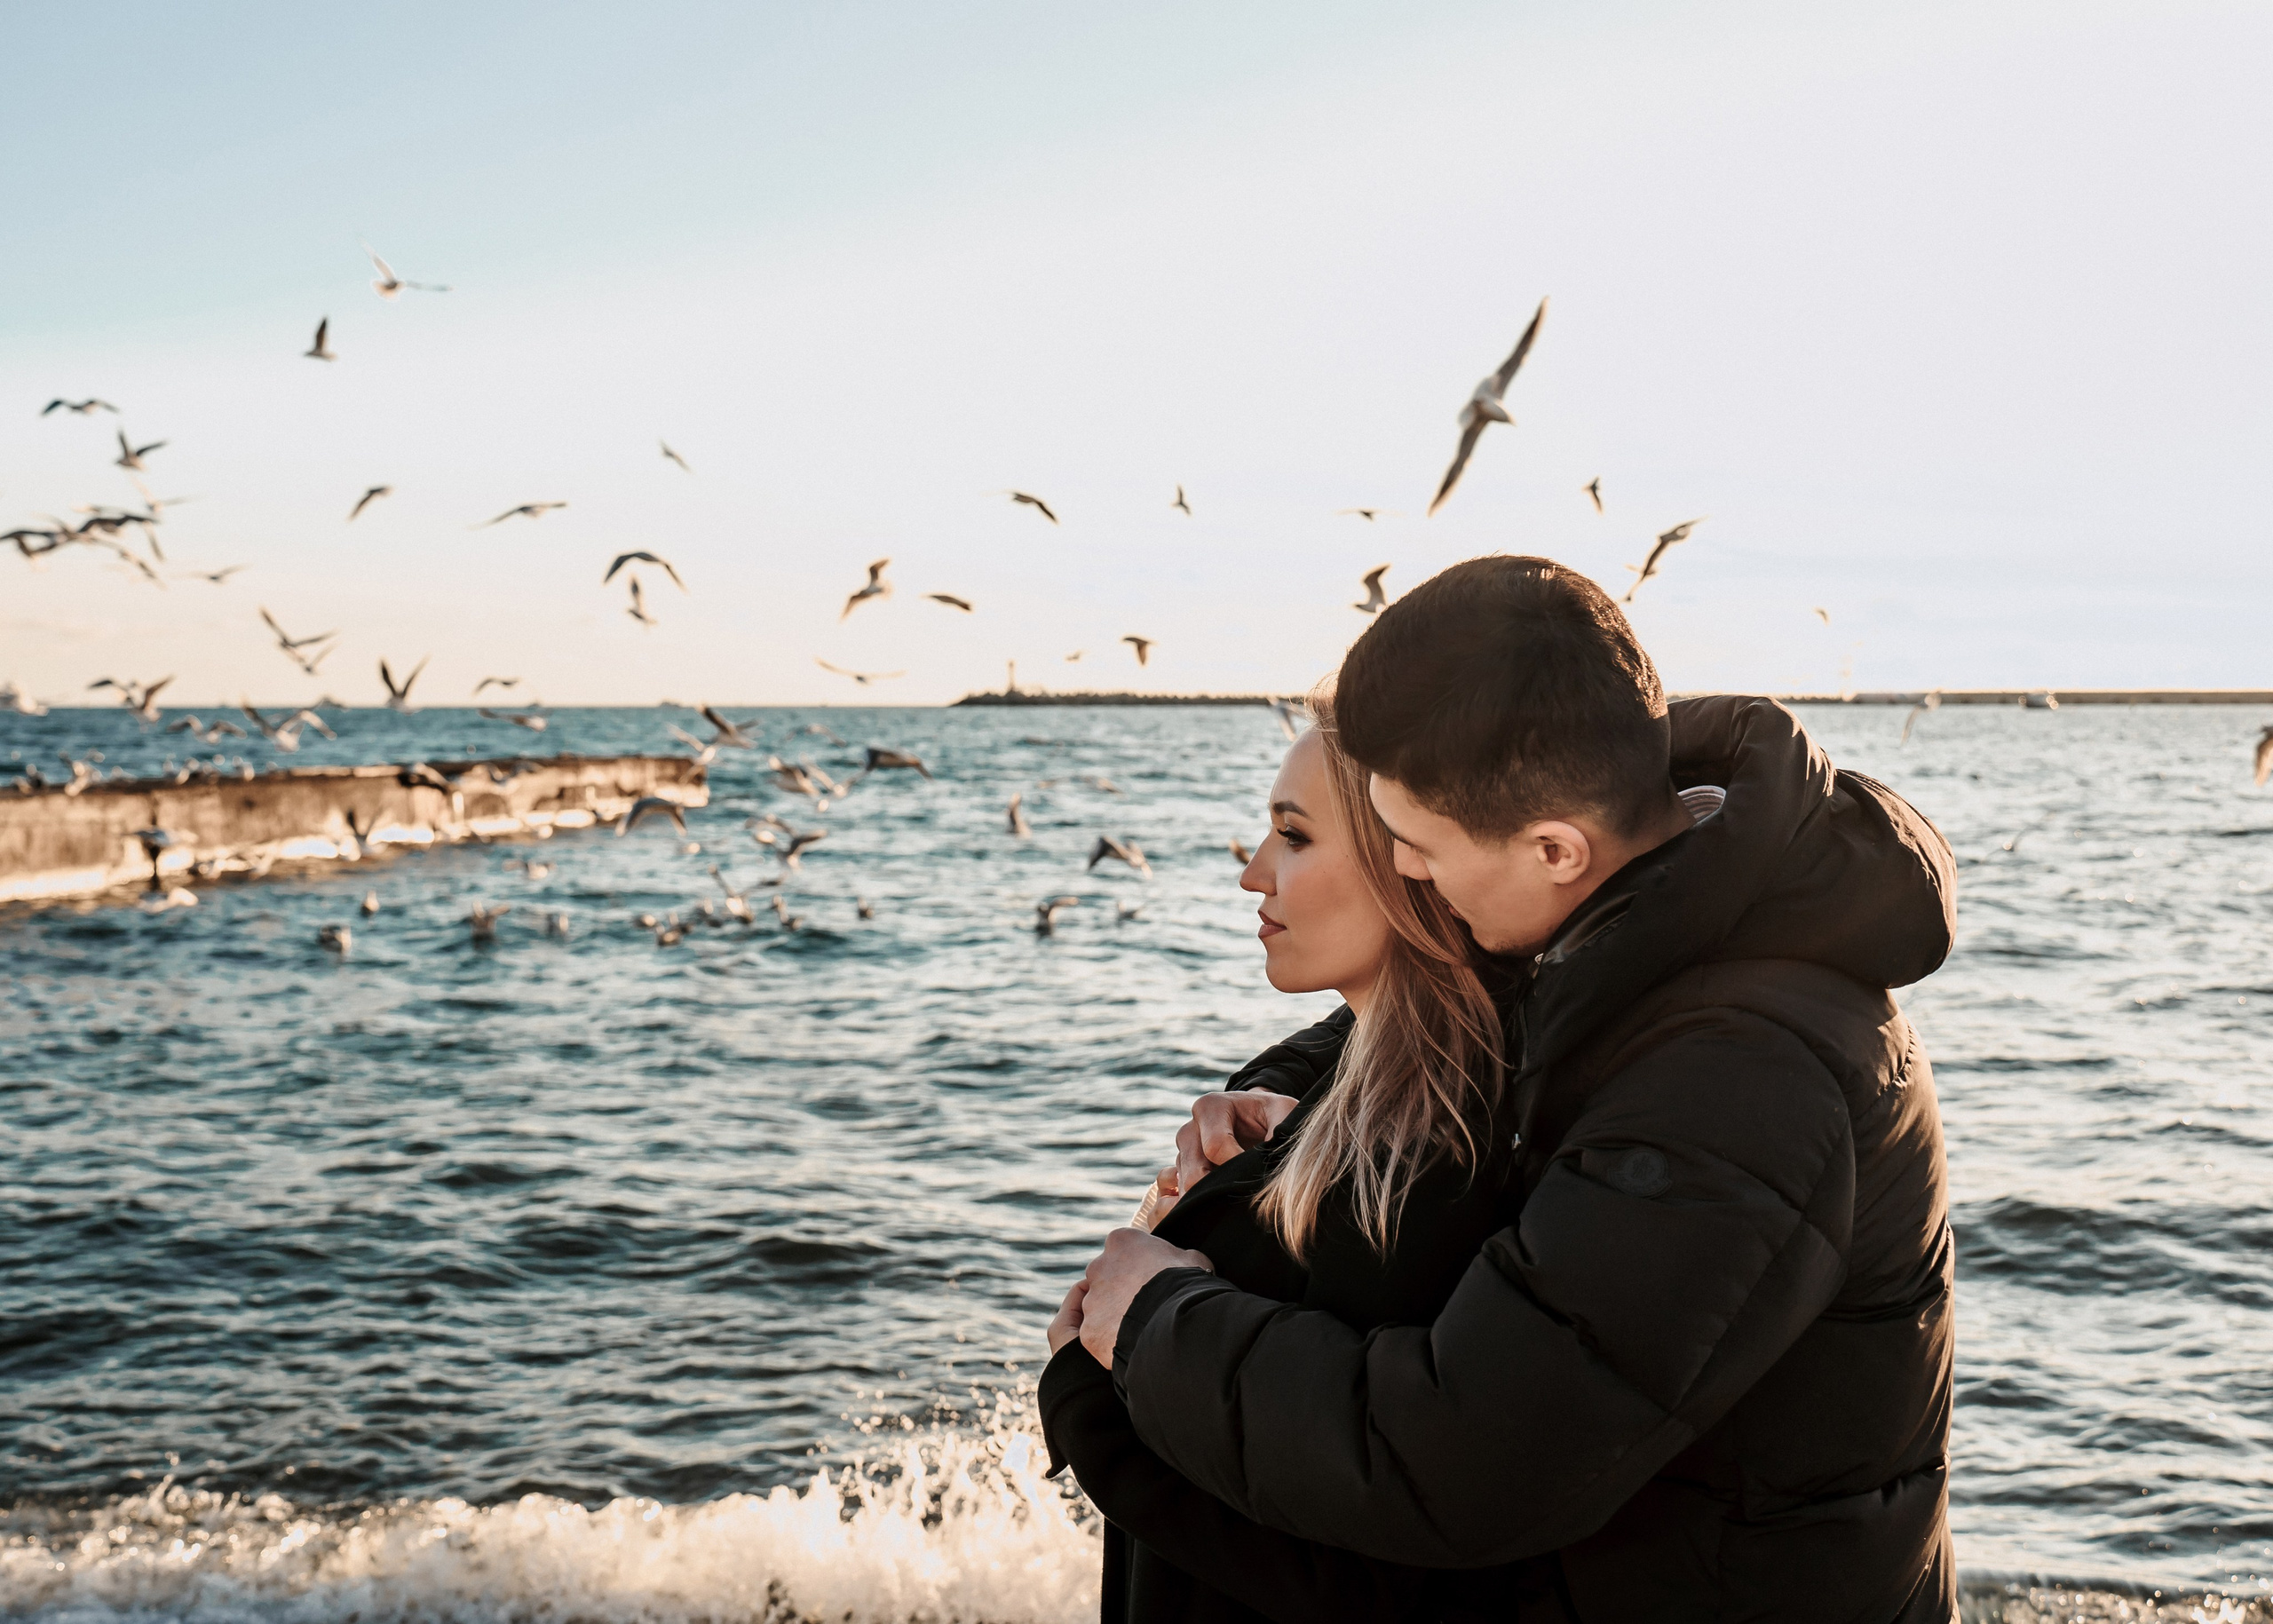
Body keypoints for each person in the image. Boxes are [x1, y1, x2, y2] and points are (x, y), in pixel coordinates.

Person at [1066, 555, 1960, 1623]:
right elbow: (1491, 1007)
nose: (1403, 872)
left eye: (1419, 846)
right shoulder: (1641, 908)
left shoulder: (1744, 1075)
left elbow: (1464, 1458)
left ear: (1552, 848)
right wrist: (1284, 1088)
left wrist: (1154, 1323)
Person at [1041, 705, 1556, 1621]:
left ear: (1417, 863)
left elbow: (1367, 1574)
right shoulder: (1376, 1095)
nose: (1252, 873)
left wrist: (1093, 1374)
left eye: (1292, 835)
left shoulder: (1421, 1161)